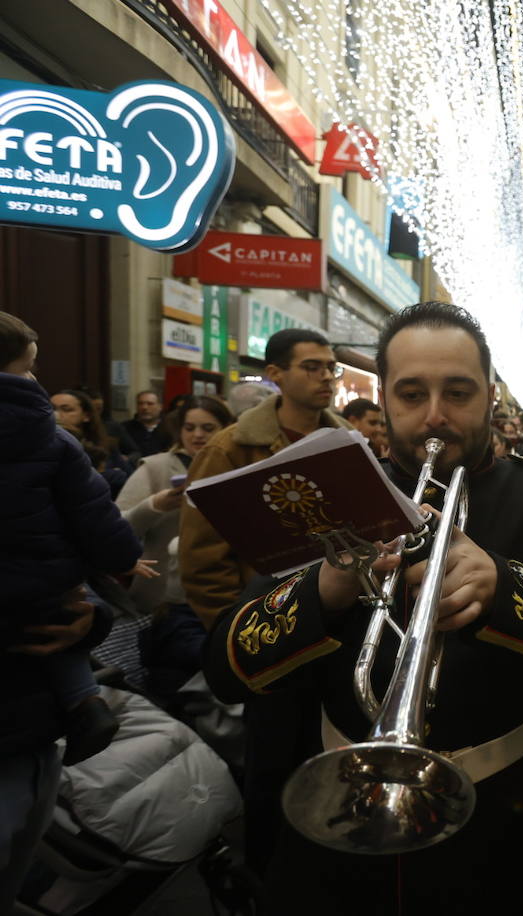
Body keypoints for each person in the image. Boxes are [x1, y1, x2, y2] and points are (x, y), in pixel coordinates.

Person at [200, 301, 523, 912]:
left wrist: (506, 589)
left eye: (458, 392)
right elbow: (223, 666)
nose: (435, 415)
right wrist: (324, 591)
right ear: (384, 398)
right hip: (340, 824)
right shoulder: (330, 493)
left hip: (501, 821)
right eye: (411, 394)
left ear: (488, 396)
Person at [179, 327, 347, 879]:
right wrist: (238, 638)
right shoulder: (232, 447)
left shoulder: (348, 441)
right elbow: (204, 560)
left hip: (336, 630)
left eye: (331, 368)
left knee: (330, 761)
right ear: (275, 375)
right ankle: (267, 878)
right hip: (270, 636)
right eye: (312, 367)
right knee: (272, 768)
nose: (326, 377)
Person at [0, 313, 146, 770]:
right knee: (58, 621)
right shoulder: (50, 441)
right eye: (28, 369)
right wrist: (115, 569)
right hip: (39, 599)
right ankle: (84, 701)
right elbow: (105, 532)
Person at [115, 395, 233, 693]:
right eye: (190, 427)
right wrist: (156, 504)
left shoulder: (234, 466)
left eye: (208, 427)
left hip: (224, 592)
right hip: (165, 599)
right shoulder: (156, 468)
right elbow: (116, 528)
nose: (197, 435)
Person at [121, 390, 171, 459]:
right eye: (140, 404)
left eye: (150, 404)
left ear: (160, 407)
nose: (144, 407)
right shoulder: (124, 428)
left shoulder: (169, 429)